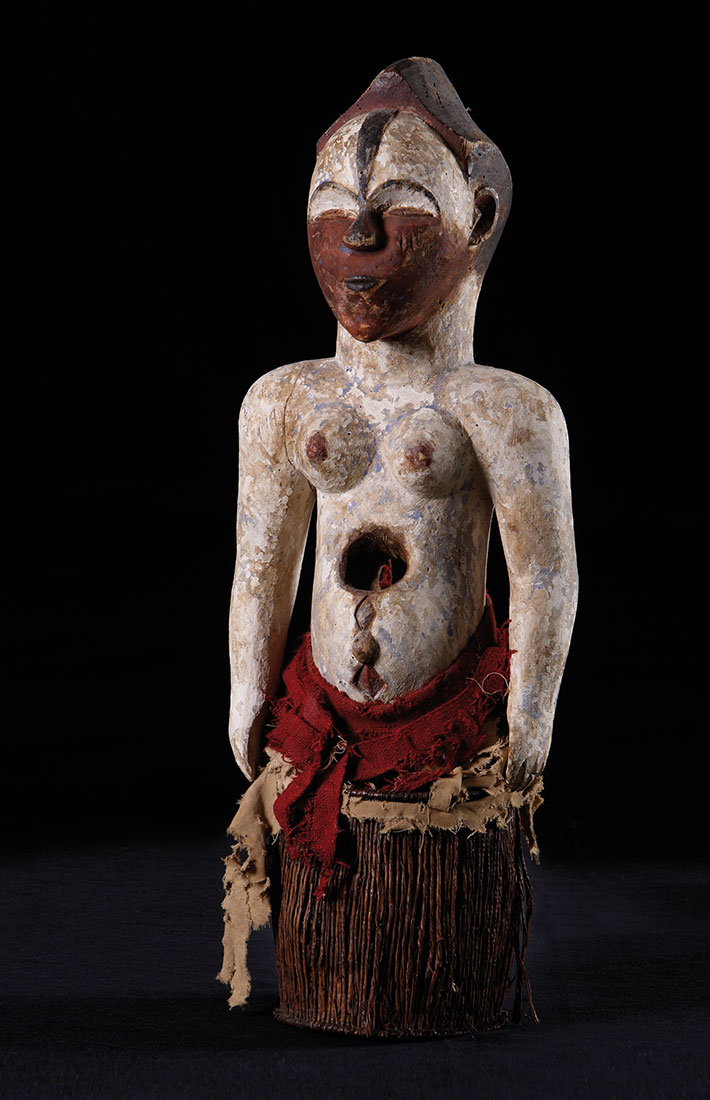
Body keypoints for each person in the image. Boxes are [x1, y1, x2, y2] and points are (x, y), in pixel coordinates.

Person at [228, 58, 577, 802]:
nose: (358, 233)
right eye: (331, 204)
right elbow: (261, 570)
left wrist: (532, 708)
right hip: (320, 719)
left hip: (452, 720)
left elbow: (543, 574)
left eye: (401, 204)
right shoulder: (282, 400)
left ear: (478, 217)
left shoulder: (506, 409)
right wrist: (246, 692)